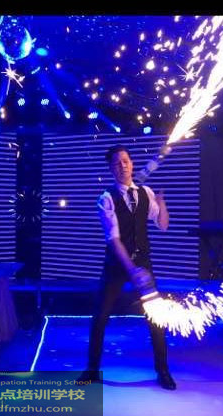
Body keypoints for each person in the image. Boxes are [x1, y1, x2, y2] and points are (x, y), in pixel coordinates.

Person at [79, 144, 176, 390]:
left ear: (131, 164)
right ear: (111, 169)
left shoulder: (146, 192)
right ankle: (91, 370)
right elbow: (114, 240)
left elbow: (163, 225)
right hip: (117, 265)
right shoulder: (106, 198)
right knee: (100, 316)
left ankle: (163, 371)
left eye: (125, 161)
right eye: (117, 163)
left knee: (156, 318)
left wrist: (161, 203)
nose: (122, 166)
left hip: (143, 262)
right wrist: (133, 271)